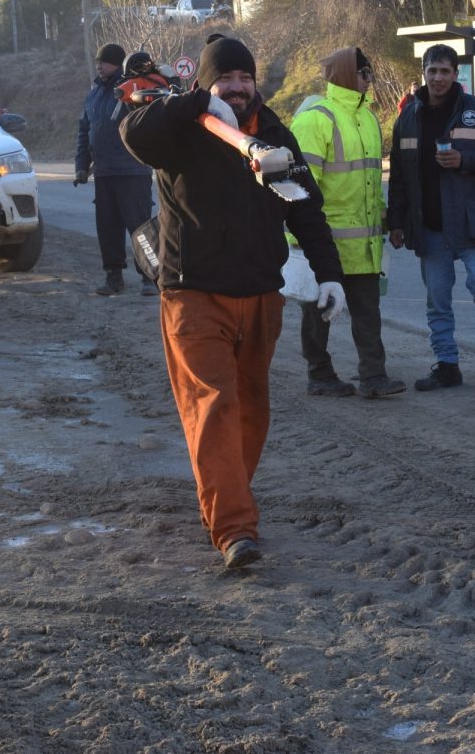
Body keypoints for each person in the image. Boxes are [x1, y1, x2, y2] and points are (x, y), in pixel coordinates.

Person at [119, 37, 346, 570]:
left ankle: (226, 496)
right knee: (214, 408)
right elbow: (133, 133)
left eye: (245, 78)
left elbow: (306, 212)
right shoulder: (179, 131)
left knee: (251, 412)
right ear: (206, 81)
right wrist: (196, 104)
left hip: (261, 298)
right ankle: (234, 529)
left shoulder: (274, 135)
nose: (238, 88)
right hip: (193, 295)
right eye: (226, 79)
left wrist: (329, 275)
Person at [387, 44, 475, 392]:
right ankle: (446, 366)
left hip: (474, 223)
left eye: (445, 71)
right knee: (437, 301)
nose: (438, 78)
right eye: (432, 71)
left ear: (456, 74)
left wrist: (465, 161)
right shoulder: (408, 118)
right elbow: (398, 175)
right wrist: (396, 222)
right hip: (429, 225)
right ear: (423, 74)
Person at [289, 48, 405, 399]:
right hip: (324, 244)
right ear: (345, 74)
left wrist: (385, 218)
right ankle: (319, 374)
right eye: (365, 72)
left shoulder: (367, 118)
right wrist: (298, 239)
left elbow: (370, 180)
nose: (370, 78)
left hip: (364, 241)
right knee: (317, 313)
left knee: (368, 313)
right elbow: (298, 188)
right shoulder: (315, 119)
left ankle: (373, 377)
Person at [75, 42, 156, 297]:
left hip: (133, 171)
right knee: (108, 229)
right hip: (104, 172)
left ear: (118, 64)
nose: (100, 65)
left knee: (141, 228)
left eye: (105, 61)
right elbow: (84, 132)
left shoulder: (133, 90)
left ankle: (150, 279)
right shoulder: (93, 96)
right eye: (98, 61)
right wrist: (81, 166)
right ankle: (113, 278)